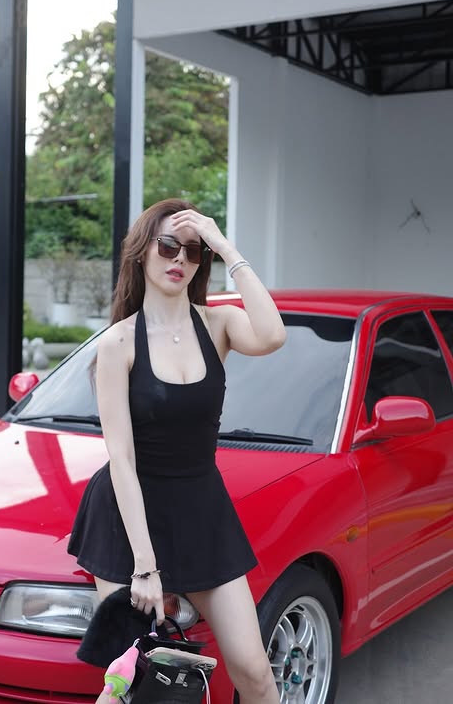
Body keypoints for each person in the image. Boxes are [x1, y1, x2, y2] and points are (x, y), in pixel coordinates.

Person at [68, 198, 286, 704]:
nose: (180, 259)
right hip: (129, 518)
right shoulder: (117, 343)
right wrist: (144, 566)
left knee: (254, 670)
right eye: (168, 246)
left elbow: (272, 335)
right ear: (142, 252)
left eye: (193, 250)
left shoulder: (218, 325)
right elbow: (121, 459)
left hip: (200, 507)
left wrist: (225, 246)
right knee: (133, 678)